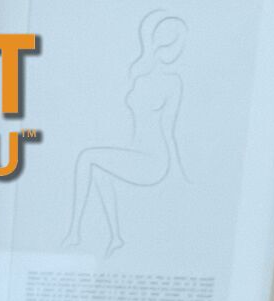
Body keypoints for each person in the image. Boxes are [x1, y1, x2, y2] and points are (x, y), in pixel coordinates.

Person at [62, 12, 189, 258]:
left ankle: (74, 232)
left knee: (88, 158)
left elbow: (170, 130)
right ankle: (115, 237)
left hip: (153, 160)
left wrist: (181, 172)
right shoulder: (138, 76)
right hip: (135, 152)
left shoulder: (173, 83)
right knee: (97, 169)